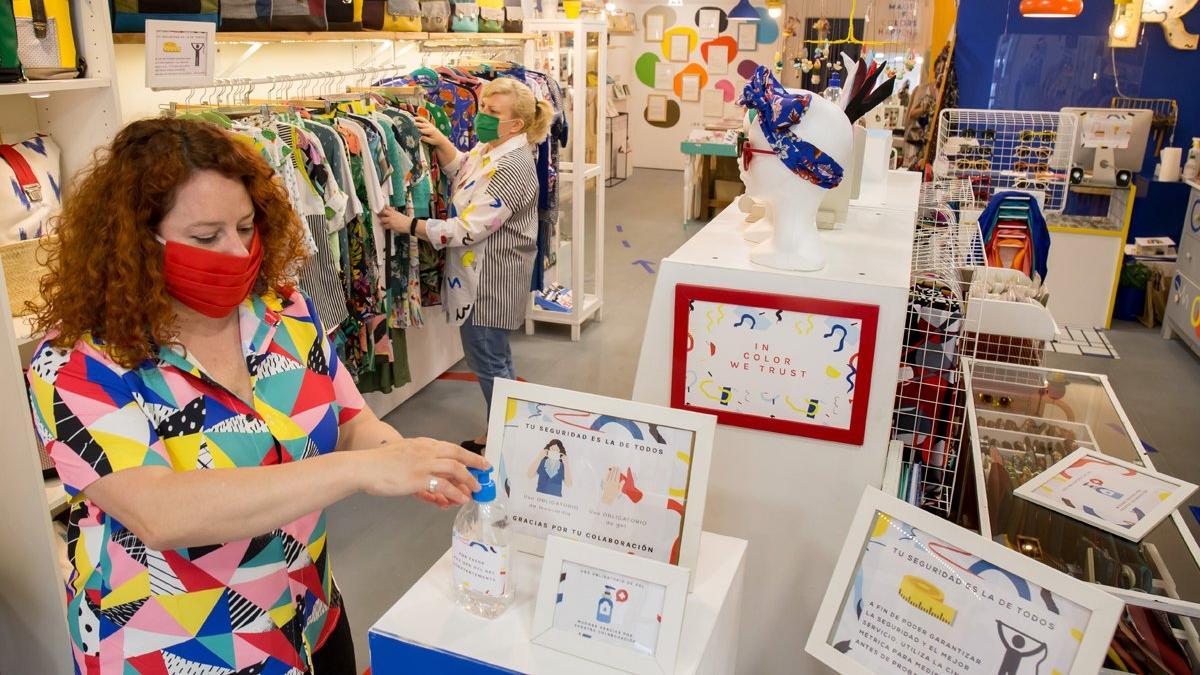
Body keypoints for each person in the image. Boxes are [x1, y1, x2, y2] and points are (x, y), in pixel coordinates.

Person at [24, 118, 489, 674]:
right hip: (179, 649)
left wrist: (411, 460)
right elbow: (160, 511)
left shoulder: (284, 311)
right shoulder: (79, 362)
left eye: (246, 227)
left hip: (310, 618)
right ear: (134, 239)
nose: (237, 250)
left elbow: (347, 419)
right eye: (205, 236)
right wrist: (362, 472)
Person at [380, 77, 552, 454]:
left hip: (490, 282)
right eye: (484, 107)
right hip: (482, 276)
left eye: (493, 111)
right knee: (495, 356)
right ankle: (507, 427)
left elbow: (471, 228)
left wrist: (410, 225)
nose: (482, 115)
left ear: (516, 125)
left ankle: (502, 438)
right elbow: (467, 172)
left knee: (487, 358)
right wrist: (443, 145)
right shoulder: (493, 149)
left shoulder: (514, 166)